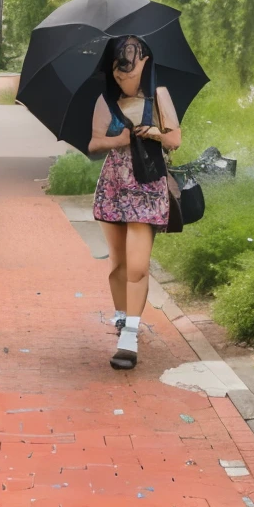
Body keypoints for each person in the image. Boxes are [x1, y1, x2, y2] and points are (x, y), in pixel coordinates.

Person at [89, 34, 180, 369]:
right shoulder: (106, 101)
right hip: (114, 187)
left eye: (127, 72)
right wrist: (120, 138)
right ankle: (121, 315)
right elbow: (94, 143)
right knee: (119, 265)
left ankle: (130, 335)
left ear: (144, 63)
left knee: (138, 266)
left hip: (147, 186)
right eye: (116, 73)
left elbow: (175, 140)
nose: (122, 79)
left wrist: (153, 131)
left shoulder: (159, 96)